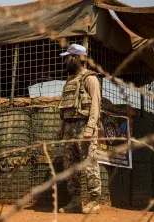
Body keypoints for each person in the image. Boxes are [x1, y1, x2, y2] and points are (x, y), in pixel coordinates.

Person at [57, 44, 102, 214]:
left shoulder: (90, 79)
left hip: (84, 126)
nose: (65, 60)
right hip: (69, 127)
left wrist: (90, 128)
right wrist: (62, 128)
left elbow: (96, 106)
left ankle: (94, 201)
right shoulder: (69, 80)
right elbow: (64, 107)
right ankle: (75, 201)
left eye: (68, 57)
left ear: (76, 58)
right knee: (70, 165)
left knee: (89, 163)